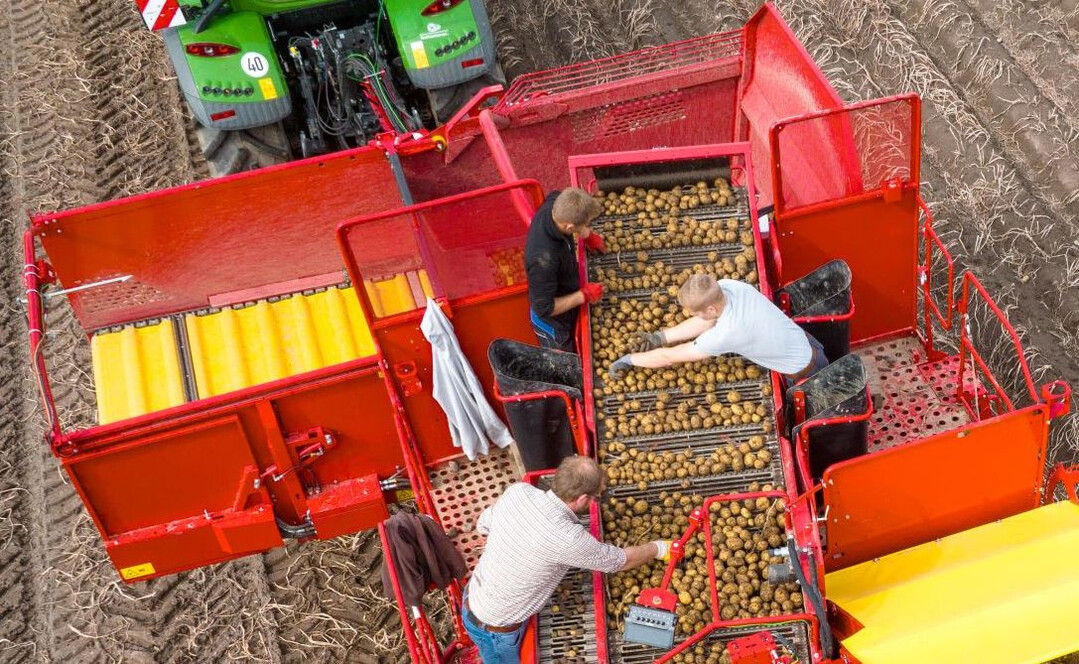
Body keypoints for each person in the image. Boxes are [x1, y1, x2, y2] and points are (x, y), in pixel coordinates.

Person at [462, 456, 669, 663]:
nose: (595, 501)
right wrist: (658, 548)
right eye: (595, 498)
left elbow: (483, 526)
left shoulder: (518, 492)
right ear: (581, 499)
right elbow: (620, 561)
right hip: (495, 629)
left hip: (475, 593)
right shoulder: (569, 538)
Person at [609, 273, 828, 386]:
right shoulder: (730, 286)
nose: (692, 317)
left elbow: (671, 357)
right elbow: (707, 321)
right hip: (806, 342)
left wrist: (630, 360)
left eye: (694, 312)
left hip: (804, 372)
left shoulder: (728, 333)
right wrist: (660, 337)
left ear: (711, 307)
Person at [524, 187, 606, 352]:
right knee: (568, 364)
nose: (585, 227)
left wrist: (587, 235)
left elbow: (559, 195)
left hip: (562, 289)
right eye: (582, 225)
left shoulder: (556, 203)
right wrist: (584, 295)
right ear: (569, 227)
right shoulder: (543, 260)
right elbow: (544, 308)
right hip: (553, 326)